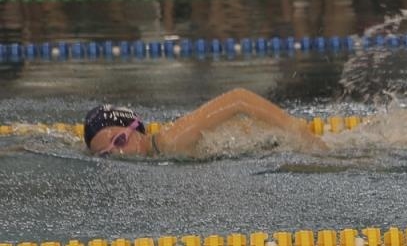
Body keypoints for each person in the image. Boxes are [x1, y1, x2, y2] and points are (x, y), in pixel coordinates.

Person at [82, 91, 327, 159]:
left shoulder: (170, 142)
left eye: (119, 141)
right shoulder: (160, 152)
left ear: (135, 128)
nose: (119, 153)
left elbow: (238, 99)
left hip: (282, 147)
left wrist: (302, 135)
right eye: (106, 155)